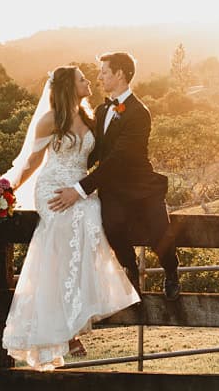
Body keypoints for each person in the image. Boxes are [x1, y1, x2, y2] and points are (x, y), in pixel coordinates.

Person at [1, 65, 139, 370]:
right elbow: (32, 161)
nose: (89, 81)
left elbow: (105, 159)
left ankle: (74, 317)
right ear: (68, 87)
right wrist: (6, 190)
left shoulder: (92, 118)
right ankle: (69, 331)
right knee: (67, 227)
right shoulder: (50, 121)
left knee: (92, 215)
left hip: (80, 187)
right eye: (82, 79)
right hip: (52, 188)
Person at [48, 51, 182, 300]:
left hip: (142, 186)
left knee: (159, 230)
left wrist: (79, 189)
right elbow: (94, 151)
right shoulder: (101, 111)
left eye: (104, 72)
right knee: (111, 225)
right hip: (113, 189)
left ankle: (172, 271)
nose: (99, 77)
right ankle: (130, 271)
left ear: (120, 74)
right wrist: (64, 166)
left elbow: (118, 159)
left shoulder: (139, 113)